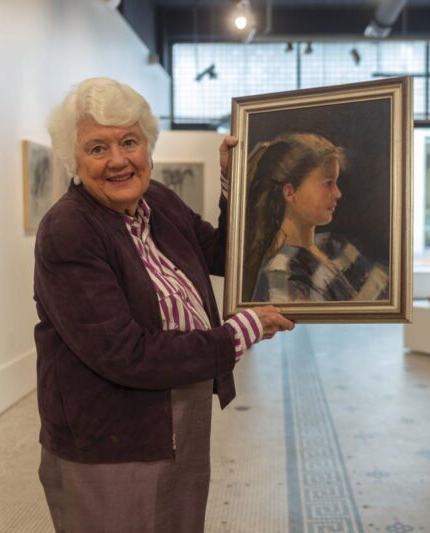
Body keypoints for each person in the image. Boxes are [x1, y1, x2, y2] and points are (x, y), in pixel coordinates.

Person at [33, 77, 294, 533]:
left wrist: (239, 184)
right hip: (113, 433)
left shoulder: (160, 200)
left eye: (129, 142)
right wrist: (238, 332)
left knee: (179, 520)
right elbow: (124, 353)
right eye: (97, 148)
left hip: (182, 402)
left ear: (148, 145)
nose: (118, 160)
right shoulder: (68, 230)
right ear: (72, 161)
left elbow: (224, 255)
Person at [243, 132, 389, 302]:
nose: (338, 193)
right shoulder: (280, 273)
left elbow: (384, 298)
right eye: (328, 184)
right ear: (290, 193)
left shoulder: (334, 246)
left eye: (336, 183)